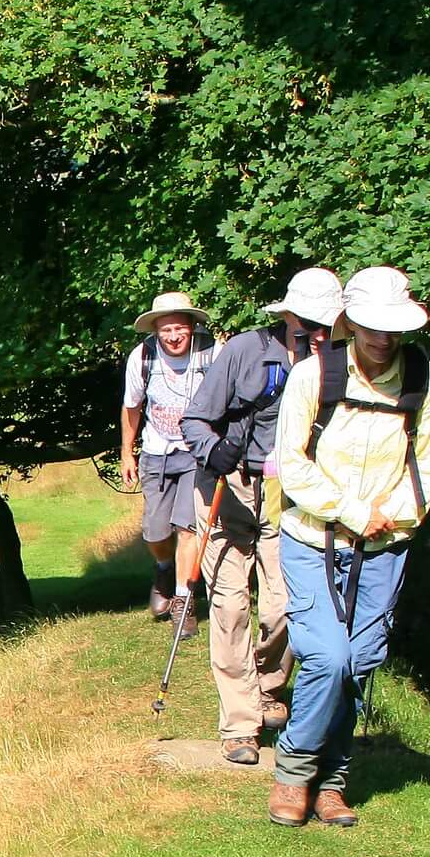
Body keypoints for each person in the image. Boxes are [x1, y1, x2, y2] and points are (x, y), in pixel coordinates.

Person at [267, 267, 430, 827]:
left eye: (391, 329)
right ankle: (294, 772)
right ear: (350, 321)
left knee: (361, 664)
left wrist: (391, 518)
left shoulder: (428, 381)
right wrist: (351, 510)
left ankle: (333, 782)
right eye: (371, 326)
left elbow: (429, 464)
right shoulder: (311, 376)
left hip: (386, 544)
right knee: (327, 656)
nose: (381, 339)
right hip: (312, 537)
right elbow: (291, 465)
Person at [180, 268, 339, 763]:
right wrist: (213, 449)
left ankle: (269, 686)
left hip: (289, 492)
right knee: (229, 607)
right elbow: (194, 418)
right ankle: (240, 725)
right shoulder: (246, 351)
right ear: (287, 314)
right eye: (307, 322)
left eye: (325, 324)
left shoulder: (337, 363)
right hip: (227, 488)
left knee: (284, 607)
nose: (315, 332)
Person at [119, 291, 211, 625]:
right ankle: (163, 568)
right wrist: (126, 453)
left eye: (179, 329)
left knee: (188, 527)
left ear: (191, 325)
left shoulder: (211, 353)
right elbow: (132, 407)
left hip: (196, 453)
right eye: (166, 330)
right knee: (155, 532)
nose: (173, 337)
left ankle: (183, 604)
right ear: (156, 331)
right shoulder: (142, 358)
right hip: (157, 451)